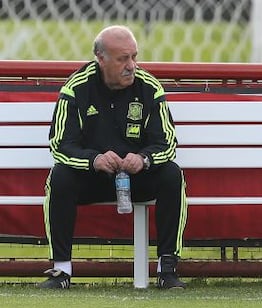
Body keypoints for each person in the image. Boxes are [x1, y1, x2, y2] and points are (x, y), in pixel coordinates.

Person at [37, 25, 188, 290]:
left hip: (137, 178)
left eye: (134, 56)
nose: (132, 65)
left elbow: (167, 142)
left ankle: (167, 269)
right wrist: (93, 160)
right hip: (93, 178)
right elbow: (60, 145)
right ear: (101, 58)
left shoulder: (149, 86)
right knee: (59, 177)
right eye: (123, 59)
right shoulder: (76, 88)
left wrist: (143, 159)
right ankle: (61, 271)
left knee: (172, 175)